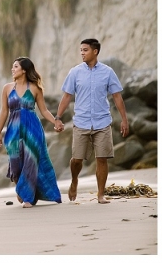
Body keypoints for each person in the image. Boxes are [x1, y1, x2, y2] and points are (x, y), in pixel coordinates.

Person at [53, 38, 129, 204]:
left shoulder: (108, 72)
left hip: (102, 122)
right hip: (81, 122)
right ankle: (74, 181)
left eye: (85, 50)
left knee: (102, 158)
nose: (82, 53)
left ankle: (100, 194)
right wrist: (58, 118)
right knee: (77, 159)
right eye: (81, 50)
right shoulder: (75, 72)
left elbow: (117, 96)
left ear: (95, 51)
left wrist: (124, 120)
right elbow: (67, 96)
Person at [0, 56, 62, 208]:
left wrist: (55, 121)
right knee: (15, 162)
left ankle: (28, 198)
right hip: (13, 129)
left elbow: (43, 110)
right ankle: (23, 189)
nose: (12, 69)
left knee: (31, 162)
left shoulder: (34, 88)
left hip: (32, 129)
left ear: (24, 70)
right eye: (13, 66)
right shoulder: (7, 88)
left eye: (16, 66)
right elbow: (4, 112)